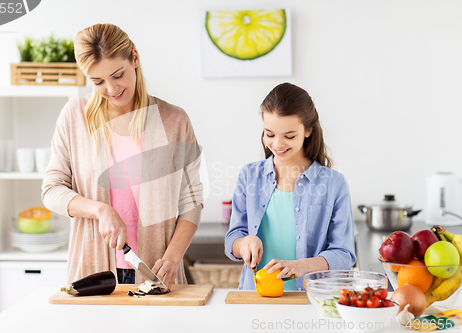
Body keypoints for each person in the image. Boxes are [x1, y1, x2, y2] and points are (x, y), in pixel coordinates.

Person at [42, 23, 203, 290]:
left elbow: (192, 201)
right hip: (92, 272)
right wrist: (100, 210)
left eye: (118, 75)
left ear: (135, 58)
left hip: (157, 273)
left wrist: (173, 257)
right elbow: (51, 190)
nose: (111, 88)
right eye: (97, 81)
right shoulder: (74, 117)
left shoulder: (174, 120)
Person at [224, 82, 355, 291]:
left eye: (289, 136)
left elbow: (344, 254)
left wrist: (302, 266)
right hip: (256, 297)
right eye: (270, 134)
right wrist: (245, 243)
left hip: (311, 301)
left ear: (308, 130)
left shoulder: (334, 184)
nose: (277, 144)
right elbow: (233, 238)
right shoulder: (249, 176)